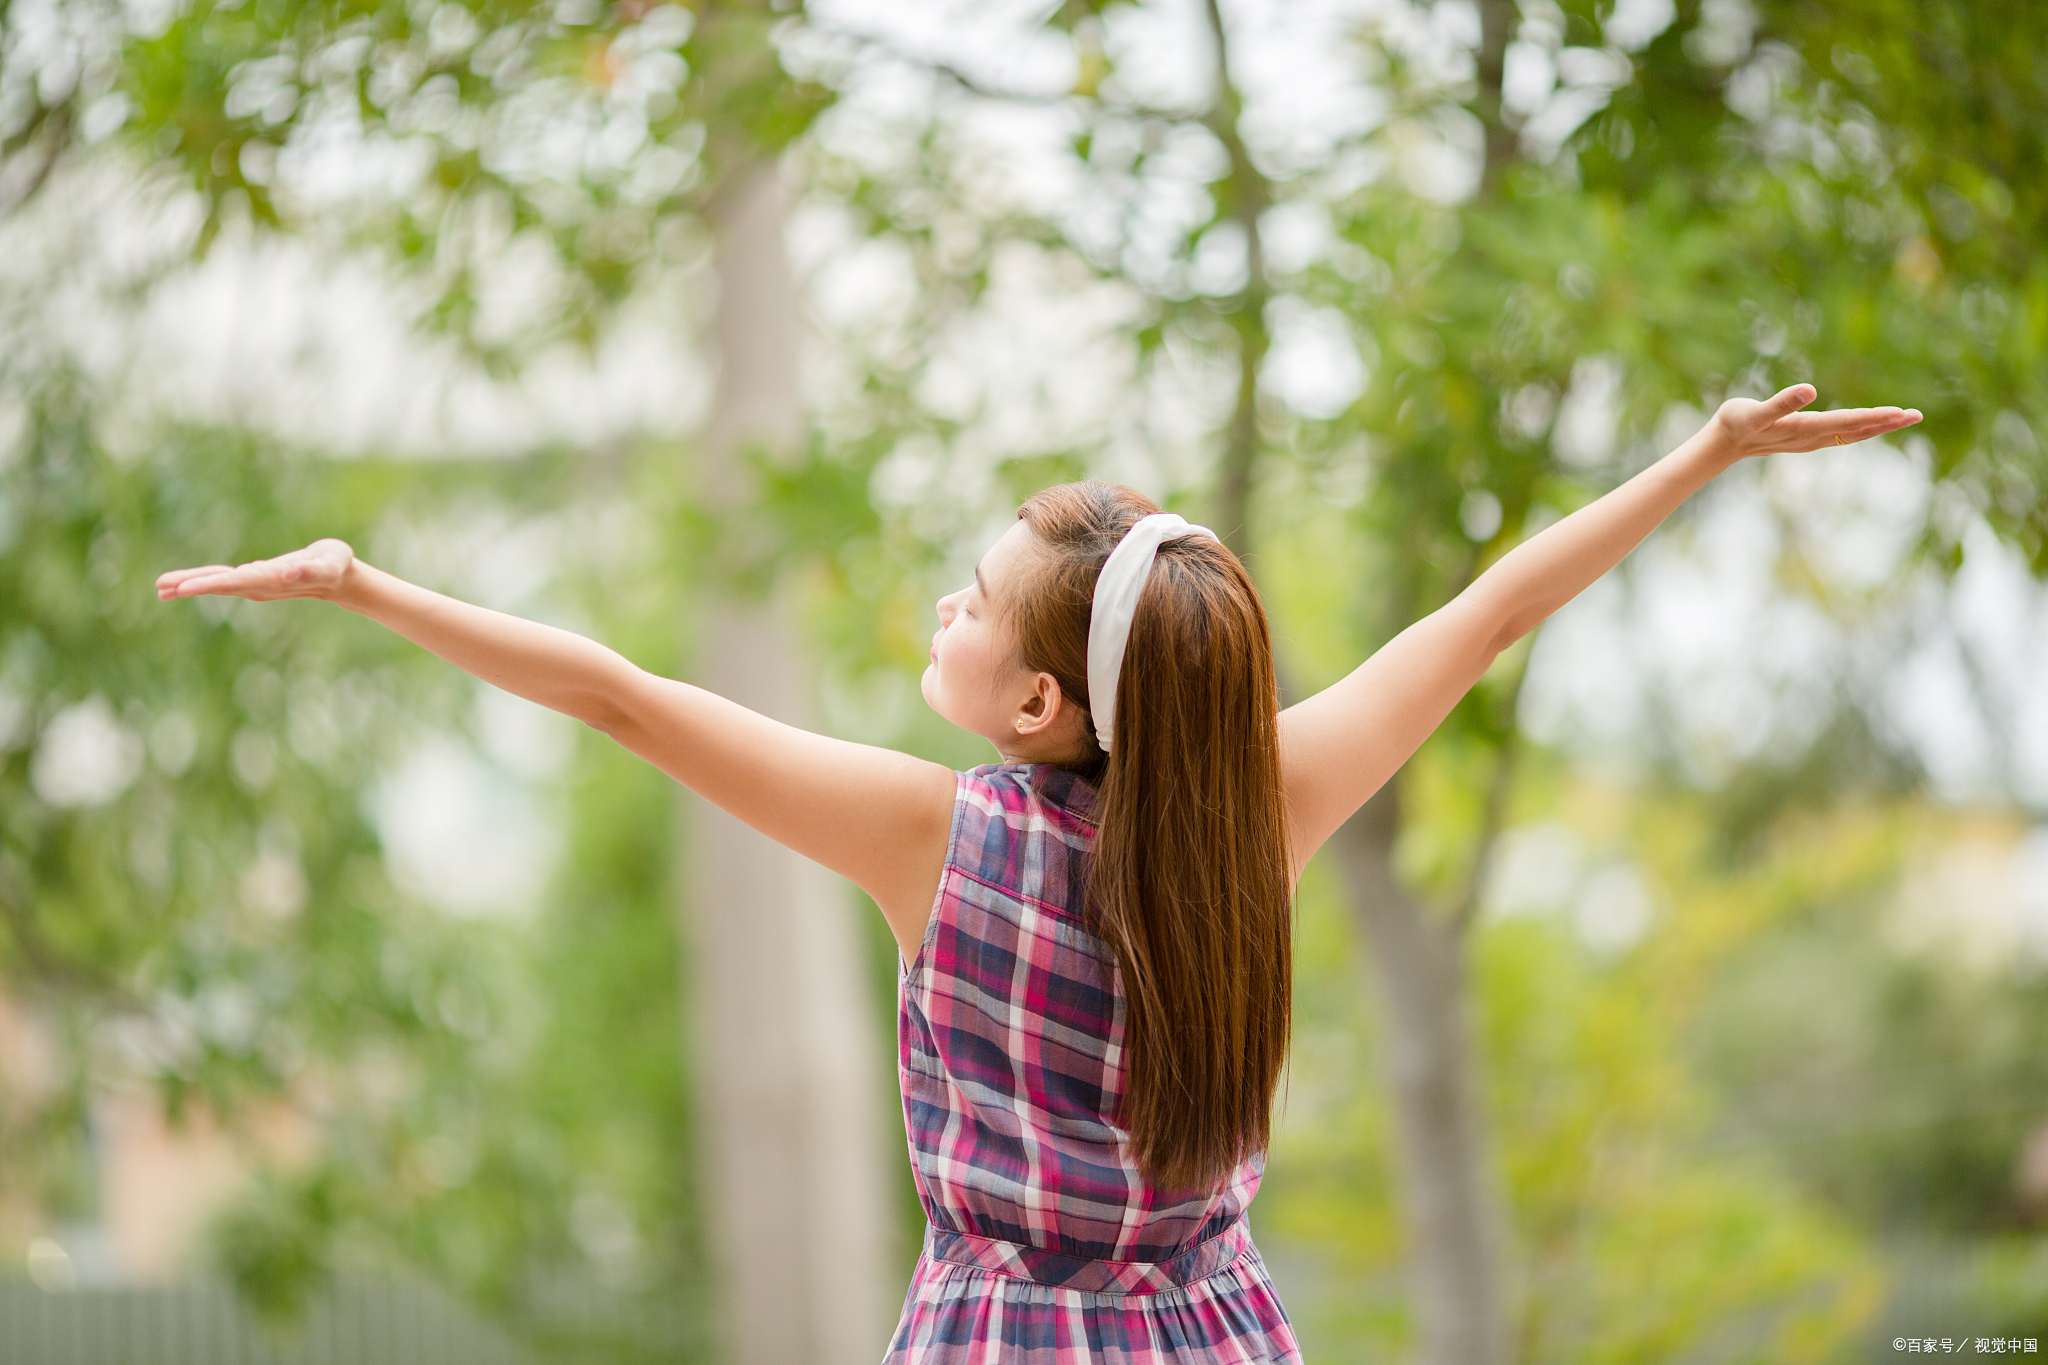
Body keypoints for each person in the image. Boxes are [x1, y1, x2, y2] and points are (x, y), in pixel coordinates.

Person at [158, 383, 1919, 1361]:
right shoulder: (1267, 805)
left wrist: (365, 586)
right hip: (1219, 1334)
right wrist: (1699, 457)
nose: (945, 603)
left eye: (972, 598)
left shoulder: (934, 837)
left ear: (1036, 696)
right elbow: (1495, 611)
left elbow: (623, 696)